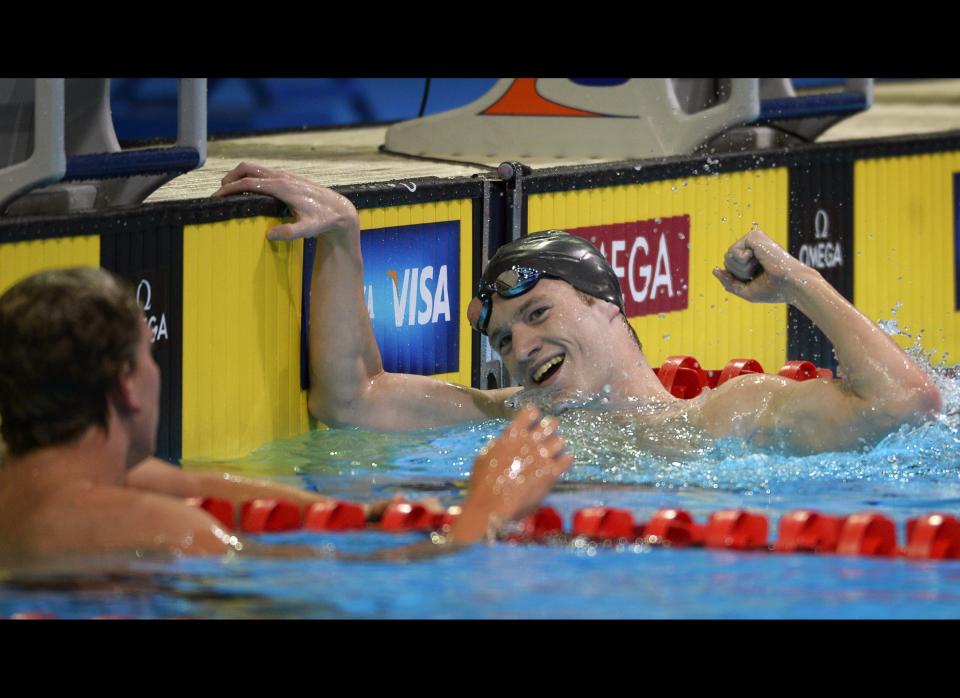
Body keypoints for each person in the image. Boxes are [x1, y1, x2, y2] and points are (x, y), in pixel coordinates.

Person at [213, 162, 942, 454]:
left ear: (607, 307)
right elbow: (350, 398)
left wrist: (795, 283)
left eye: (538, 314)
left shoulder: (730, 413)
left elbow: (907, 401)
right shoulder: (507, 417)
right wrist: (343, 233)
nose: (519, 346)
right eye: (501, 338)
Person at [0, 267, 572, 557]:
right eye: (149, 357)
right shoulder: (174, 534)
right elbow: (353, 597)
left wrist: (355, 515)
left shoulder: (36, 477)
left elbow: (186, 481)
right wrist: (485, 509)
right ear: (127, 386)